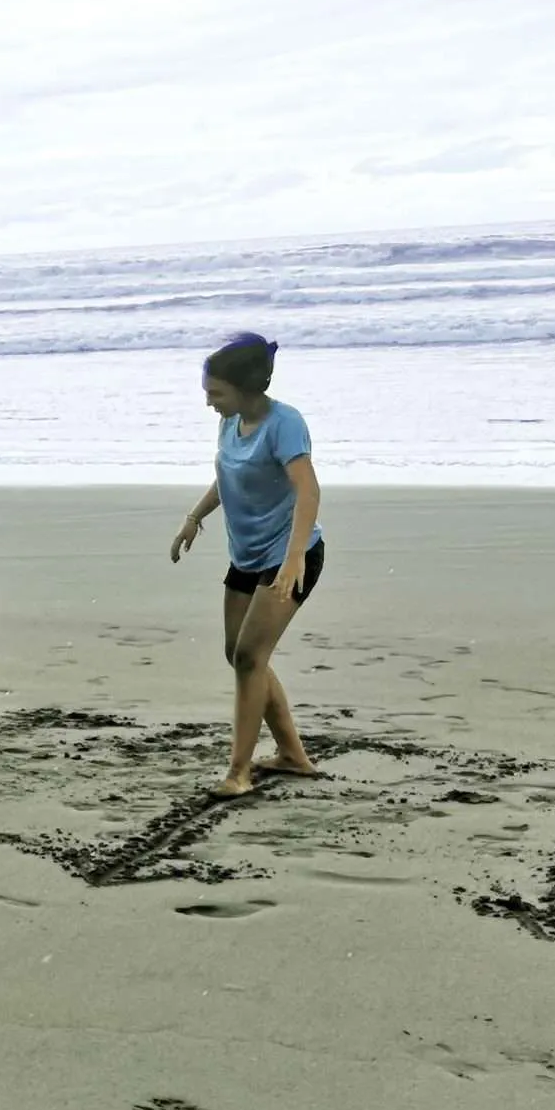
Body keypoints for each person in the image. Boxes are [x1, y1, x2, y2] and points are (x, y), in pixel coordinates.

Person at [171, 331, 324, 797]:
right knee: (239, 655)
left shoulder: (285, 424)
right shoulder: (230, 423)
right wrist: (194, 517)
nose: (209, 403)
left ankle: (238, 773)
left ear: (245, 388)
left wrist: (294, 556)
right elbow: (227, 476)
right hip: (247, 555)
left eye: (215, 393)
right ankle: (293, 756)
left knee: (249, 658)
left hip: (289, 557)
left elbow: (308, 490)